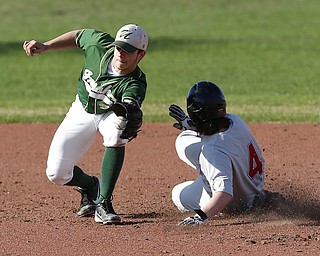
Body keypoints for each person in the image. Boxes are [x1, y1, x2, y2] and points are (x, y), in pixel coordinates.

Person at [23, 24, 148, 224]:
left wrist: (130, 110)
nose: (121, 54)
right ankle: (91, 186)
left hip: (108, 115)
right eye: (119, 48)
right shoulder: (98, 45)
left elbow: (130, 104)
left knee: (119, 129)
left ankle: (103, 203)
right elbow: (77, 35)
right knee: (56, 174)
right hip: (82, 110)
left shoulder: (135, 82)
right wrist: (46, 46)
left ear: (140, 54)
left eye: (128, 51)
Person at [169, 81, 267, 225]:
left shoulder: (213, 149)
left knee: (178, 193)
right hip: (253, 186)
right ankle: (209, 172)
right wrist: (193, 126)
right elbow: (215, 130)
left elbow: (225, 194)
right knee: (184, 139)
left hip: (235, 204)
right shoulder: (235, 121)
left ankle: (209, 175)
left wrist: (200, 217)